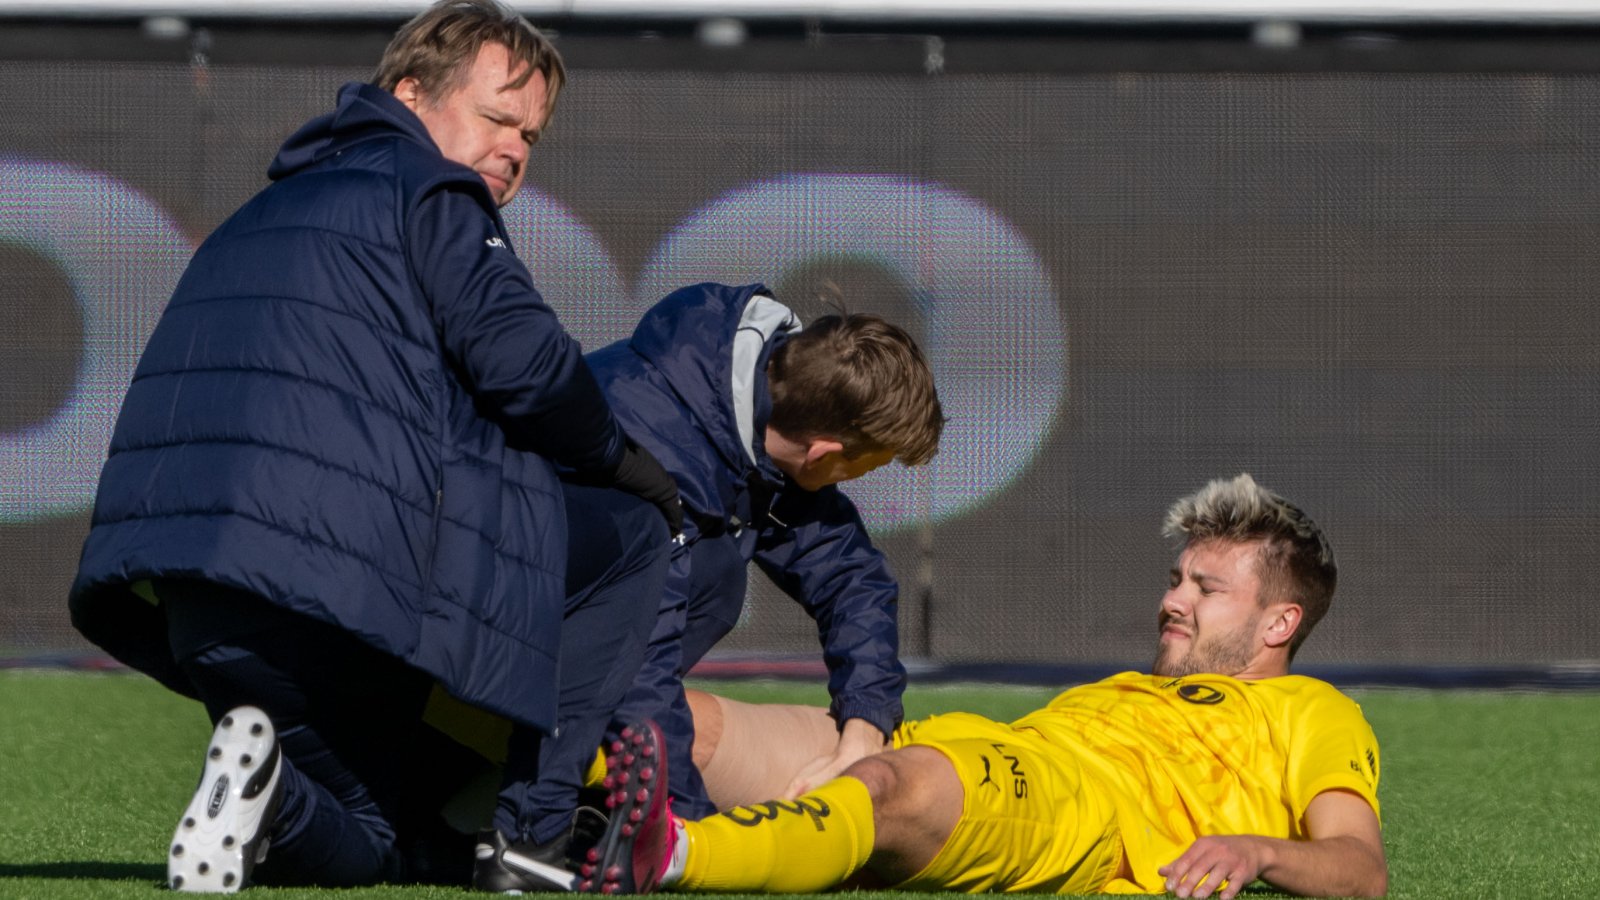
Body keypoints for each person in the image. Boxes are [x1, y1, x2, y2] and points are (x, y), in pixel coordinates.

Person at [67, 0, 680, 892]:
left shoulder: (261, 211)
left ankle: (266, 793)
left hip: (199, 605)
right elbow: (531, 371)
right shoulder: (431, 191)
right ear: (412, 94)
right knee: (633, 532)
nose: (514, 148)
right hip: (333, 594)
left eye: (532, 137)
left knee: (364, 829)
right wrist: (630, 466)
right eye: (498, 118)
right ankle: (534, 833)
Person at [585, 474, 1389, 898]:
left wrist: (1254, 852)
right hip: (990, 746)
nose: (1173, 599)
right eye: (1177, 577)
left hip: (1081, 808)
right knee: (681, 719)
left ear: (1280, 624)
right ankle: (498, 772)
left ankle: (676, 855)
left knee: (886, 784)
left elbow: (1360, 868)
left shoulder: (1314, 710)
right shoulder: (1131, 688)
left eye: (1206, 589)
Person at [577, 282, 943, 821]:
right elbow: (638, 669)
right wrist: (692, 835)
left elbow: (850, 577)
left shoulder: (757, 411)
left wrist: (865, 725)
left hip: (553, 662)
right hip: (469, 674)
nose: (863, 479)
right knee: (712, 575)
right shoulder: (655, 451)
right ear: (823, 453)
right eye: (870, 465)